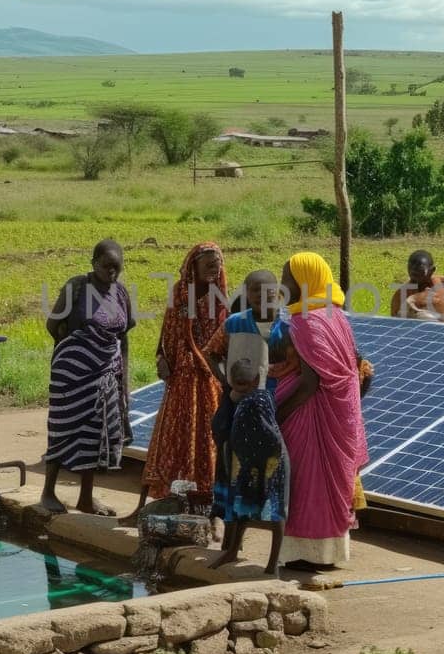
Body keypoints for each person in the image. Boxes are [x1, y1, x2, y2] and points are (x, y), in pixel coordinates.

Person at [272, 252, 369, 571]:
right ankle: (325, 554)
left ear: (305, 281)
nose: (283, 285)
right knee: (326, 484)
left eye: (288, 278)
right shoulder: (334, 315)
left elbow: (311, 382)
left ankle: (306, 554)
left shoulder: (308, 322)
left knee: (308, 483)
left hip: (312, 415)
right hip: (337, 414)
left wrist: (277, 414)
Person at [130, 242, 228, 519]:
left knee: (205, 442)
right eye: (208, 263)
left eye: (217, 263)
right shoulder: (180, 293)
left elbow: (220, 346)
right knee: (170, 438)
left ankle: (208, 512)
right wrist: (162, 357)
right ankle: (150, 505)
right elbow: (167, 331)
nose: (214, 268)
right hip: (179, 380)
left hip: (208, 381)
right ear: (193, 266)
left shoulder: (220, 300)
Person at [40, 239, 135, 516]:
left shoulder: (121, 294)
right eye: (106, 267)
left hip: (106, 373)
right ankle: (48, 492)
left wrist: (124, 380)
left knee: (96, 431)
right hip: (72, 375)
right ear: (93, 263)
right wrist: (76, 353)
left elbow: (123, 337)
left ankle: (86, 497)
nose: (112, 273)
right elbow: (53, 324)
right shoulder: (77, 287)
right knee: (63, 427)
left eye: (117, 268)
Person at [208, 358, 287, 573]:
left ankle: (272, 565)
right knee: (241, 507)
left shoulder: (258, 400)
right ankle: (232, 551)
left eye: (244, 383)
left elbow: (269, 435)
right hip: (246, 464)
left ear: (256, 380)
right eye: (236, 383)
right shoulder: (241, 400)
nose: (240, 387)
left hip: (269, 463)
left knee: (275, 511)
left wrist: (261, 460)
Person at [203, 268, 280, 392]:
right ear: (246, 295)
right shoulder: (234, 323)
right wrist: (225, 380)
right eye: (255, 290)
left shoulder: (289, 323)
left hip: (283, 394)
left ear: (277, 292)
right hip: (243, 397)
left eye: (267, 289)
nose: (261, 294)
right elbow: (210, 353)